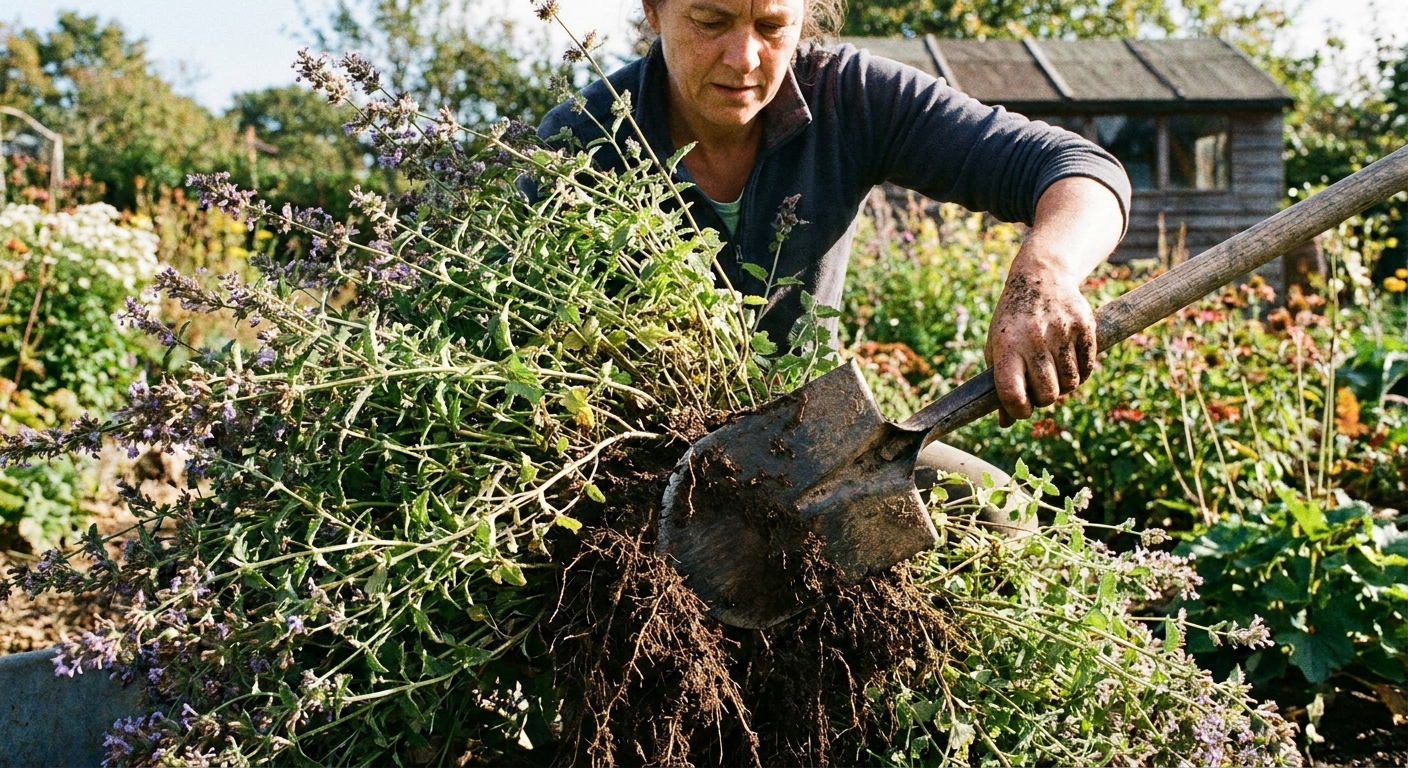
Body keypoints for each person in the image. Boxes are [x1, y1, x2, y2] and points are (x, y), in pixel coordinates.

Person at [538, 0, 1130, 533]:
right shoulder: (582, 139)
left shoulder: (847, 96)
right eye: (711, 22)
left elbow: (1077, 167)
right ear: (654, 11)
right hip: (641, 469)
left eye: (772, 26)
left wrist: (1046, 270)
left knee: (1000, 517)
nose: (744, 58)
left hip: (820, 447)